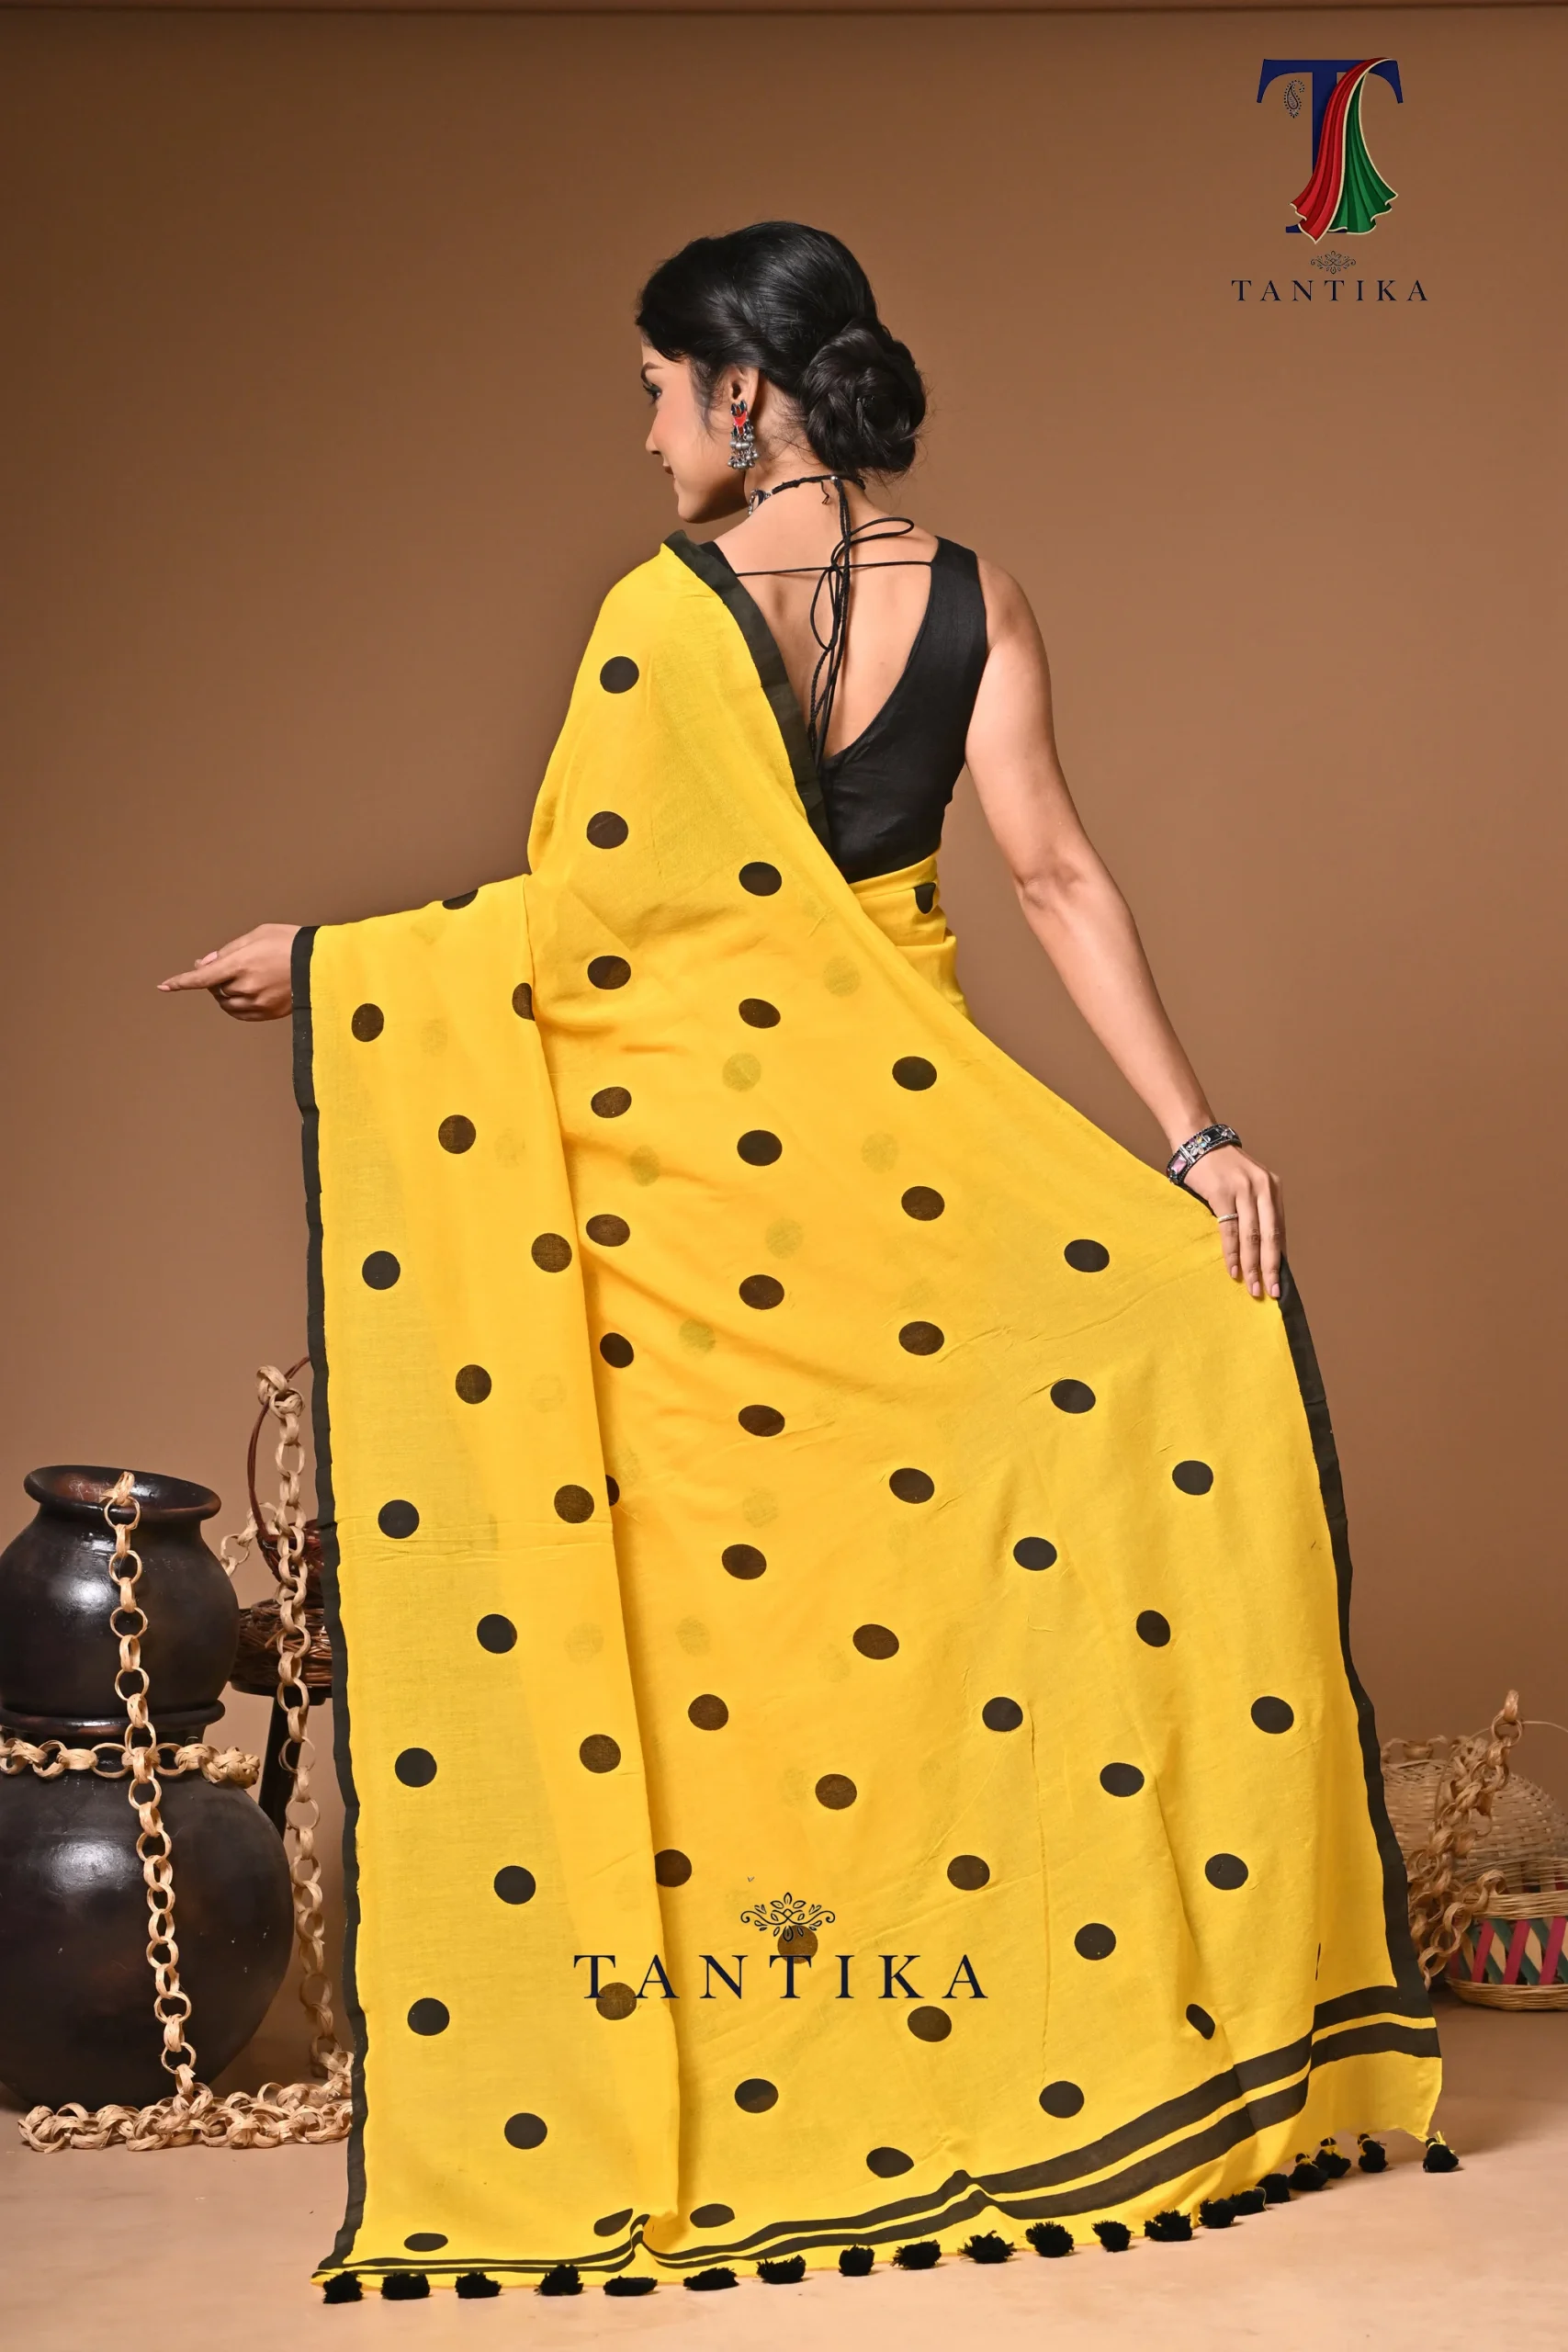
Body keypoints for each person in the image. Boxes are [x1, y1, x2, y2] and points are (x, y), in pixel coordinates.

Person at [163, 224, 1435, 2295]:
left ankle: (783, 2041)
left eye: (655, 389)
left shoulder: (659, 617)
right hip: (919, 1168)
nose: (645, 431)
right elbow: (1052, 872)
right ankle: (1034, 2018)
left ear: (742, 392)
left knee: (727, 1617)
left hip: (705, 1200)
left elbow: (598, 928)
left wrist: (331, 962)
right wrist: (1192, 1142)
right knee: (961, 1565)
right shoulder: (980, 595)